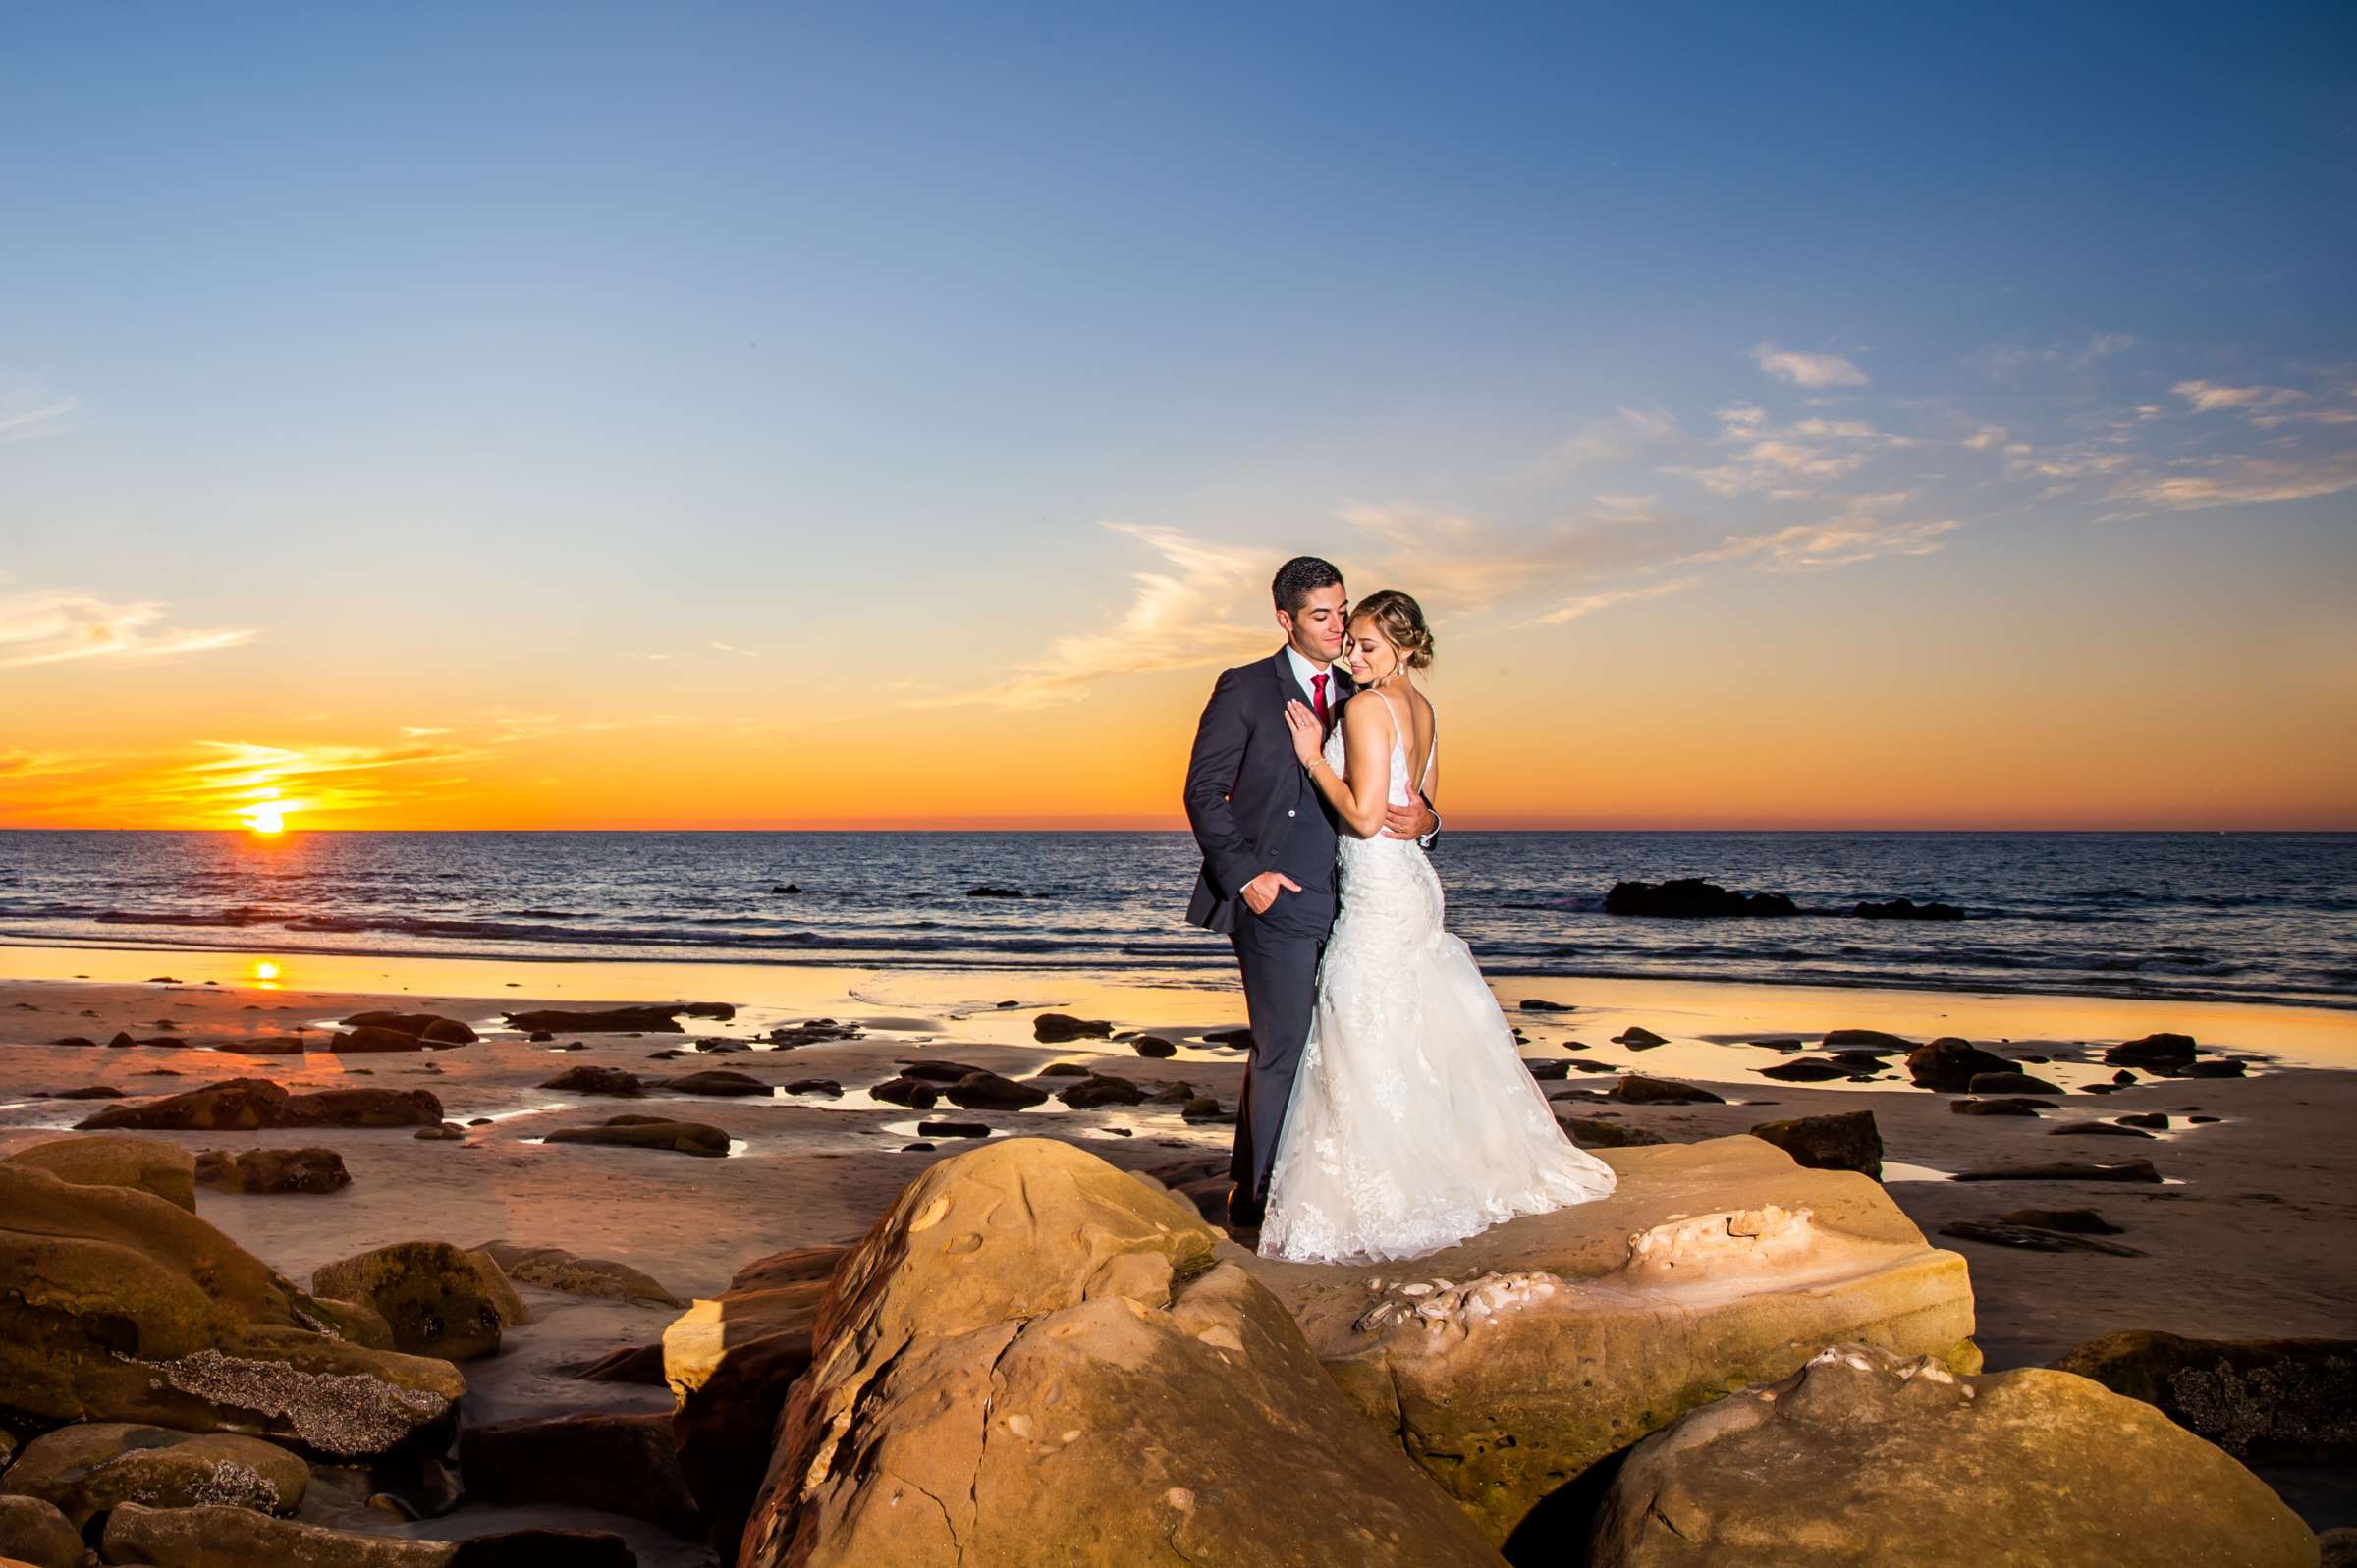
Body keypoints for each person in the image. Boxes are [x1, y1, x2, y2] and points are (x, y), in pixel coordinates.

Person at [1258, 588, 1617, 1264]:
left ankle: (1396, 1187)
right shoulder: (1423, 707)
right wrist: (1431, 823)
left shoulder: (1365, 707)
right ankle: (1441, 1163)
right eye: (1350, 641)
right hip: (1414, 882)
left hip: (1380, 887)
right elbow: (1425, 806)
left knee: (1361, 1018)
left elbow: (1364, 817)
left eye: (1366, 645)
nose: (1350, 654)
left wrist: (1312, 757)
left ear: (1402, 646)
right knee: (1407, 1023)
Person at [1182, 556, 1436, 1232]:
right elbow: (1203, 792)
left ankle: (1252, 1174)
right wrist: (1246, 877)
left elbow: (1400, 786)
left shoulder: (1364, 689)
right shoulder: (1244, 688)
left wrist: (1427, 819)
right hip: (1274, 897)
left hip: (1354, 900)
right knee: (1283, 1042)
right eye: (1321, 615)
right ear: (1285, 619)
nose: (1337, 628)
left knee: (1321, 1042)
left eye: (1341, 611)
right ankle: (1263, 1200)